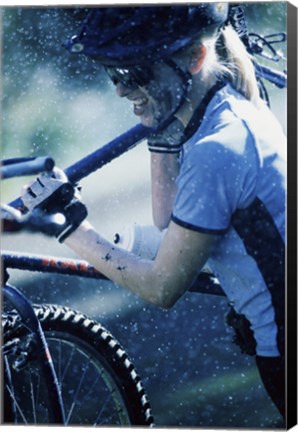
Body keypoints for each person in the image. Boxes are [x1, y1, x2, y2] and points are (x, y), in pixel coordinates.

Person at [22, 4, 286, 421]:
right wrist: (159, 122)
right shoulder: (224, 110)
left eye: (134, 73)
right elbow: (168, 225)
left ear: (196, 59)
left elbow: (163, 287)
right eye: (113, 73)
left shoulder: (218, 149)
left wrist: (68, 223)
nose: (120, 91)